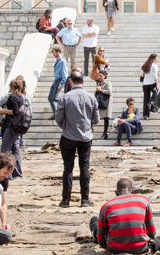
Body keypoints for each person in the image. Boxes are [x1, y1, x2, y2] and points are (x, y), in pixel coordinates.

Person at [55, 71, 99, 208]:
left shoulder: (65, 98)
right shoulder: (91, 97)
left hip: (68, 136)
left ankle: (65, 200)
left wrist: (65, 126)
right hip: (85, 137)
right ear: (83, 82)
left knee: (68, 168)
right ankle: (85, 199)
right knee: (84, 167)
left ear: (70, 82)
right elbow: (96, 119)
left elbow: (58, 118)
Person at [0, 79, 25, 179]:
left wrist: (3, 111)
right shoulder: (21, 97)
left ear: (11, 87)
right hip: (18, 127)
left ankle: (7, 173)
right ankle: (17, 172)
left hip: (11, 125)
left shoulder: (12, 97)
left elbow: (15, 111)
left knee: (5, 149)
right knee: (16, 149)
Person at [48, 47, 68, 120]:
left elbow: (65, 75)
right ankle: (55, 114)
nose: (53, 55)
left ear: (58, 52)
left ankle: (67, 102)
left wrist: (61, 83)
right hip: (55, 81)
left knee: (55, 98)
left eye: (54, 53)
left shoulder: (63, 61)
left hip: (59, 81)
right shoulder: (57, 61)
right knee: (50, 98)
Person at [140, 53, 159, 120]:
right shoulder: (154, 65)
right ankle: (153, 108)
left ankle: (146, 114)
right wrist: (157, 84)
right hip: (152, 83)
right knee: (156, 95)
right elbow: (155, 76)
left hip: (145, 84)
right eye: (156, 58)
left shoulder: (145, 65)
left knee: (146, 99)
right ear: (154, 59)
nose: (157, 60)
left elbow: (141, 74)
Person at [95, 70, 112, 140]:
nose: (99, 77)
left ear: (104, 76)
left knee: (106, 118)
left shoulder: (108, 83)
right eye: (98, 76)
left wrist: (101, 90)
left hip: (107, 102)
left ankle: (105, 133)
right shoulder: (99, 83)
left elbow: (109, 91)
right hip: (101, 101)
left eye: (101, 76)